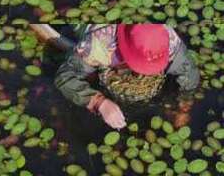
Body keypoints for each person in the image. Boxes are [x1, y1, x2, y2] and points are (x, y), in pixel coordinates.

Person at [55, 24, 200, 130]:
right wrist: (98, 102)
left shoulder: (168, 39)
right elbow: (65, 76)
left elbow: (189, 72)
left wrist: (184, 106)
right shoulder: (97, 45)